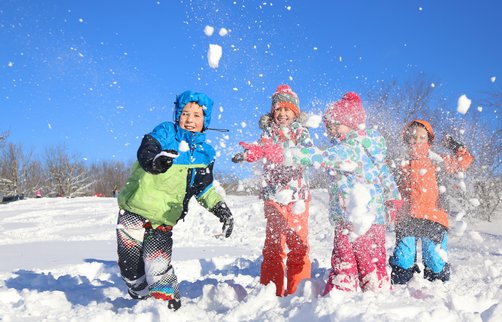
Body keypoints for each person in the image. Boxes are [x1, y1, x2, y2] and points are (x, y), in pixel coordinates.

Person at [116, 90, 234, 311]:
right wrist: (154, 161)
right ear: (177, 114)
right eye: (185, 114)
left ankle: (168, 305)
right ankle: (140, 298)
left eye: (197, 115)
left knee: (157, 266)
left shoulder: (205, 153)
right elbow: (147, 148)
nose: (190, 120)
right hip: (134, 210)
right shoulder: (166, 132)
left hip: (163, 220)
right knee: (130, 268)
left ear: (205, 121)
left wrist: (221, 209)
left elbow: (203, 188)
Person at [289, 92, 401, 293]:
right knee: (373, 264)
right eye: (329, 126)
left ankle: (341, 296)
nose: (331, 130)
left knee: (345, 261)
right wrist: (393, 200)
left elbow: (318, 157)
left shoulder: (347, 149)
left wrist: (291, 148)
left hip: (351, 218)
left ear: (350, 123)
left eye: (335, 124)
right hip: (374, 220)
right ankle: (379, 297)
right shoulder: (370, 150)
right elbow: (387, 177)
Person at [232, 84, 314, 297]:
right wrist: (247, 154)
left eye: (287, 109)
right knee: (274, 244)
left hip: (297, 196)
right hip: (273, 195)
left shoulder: (300, 132)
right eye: (278, 109)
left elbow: (309, 153)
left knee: (298, 243)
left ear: (295, 112)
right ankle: (270, 290)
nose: (282, 114)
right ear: (272, 112)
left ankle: (299, 290)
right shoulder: (268, 132)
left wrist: (285, 153)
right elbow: (260, 149)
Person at [389, 120, 473, 284]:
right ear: (406, 139)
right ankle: (400, 290)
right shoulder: (401, 162)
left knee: (435, 259)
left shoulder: (438, 160)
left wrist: (456, 147)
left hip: (433, 216)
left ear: (429, 140)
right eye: (413, 136)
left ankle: (438, 289)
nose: (417, 140)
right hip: (406, 217)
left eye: (422, 137)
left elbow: (464, 161)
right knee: (403, 258)